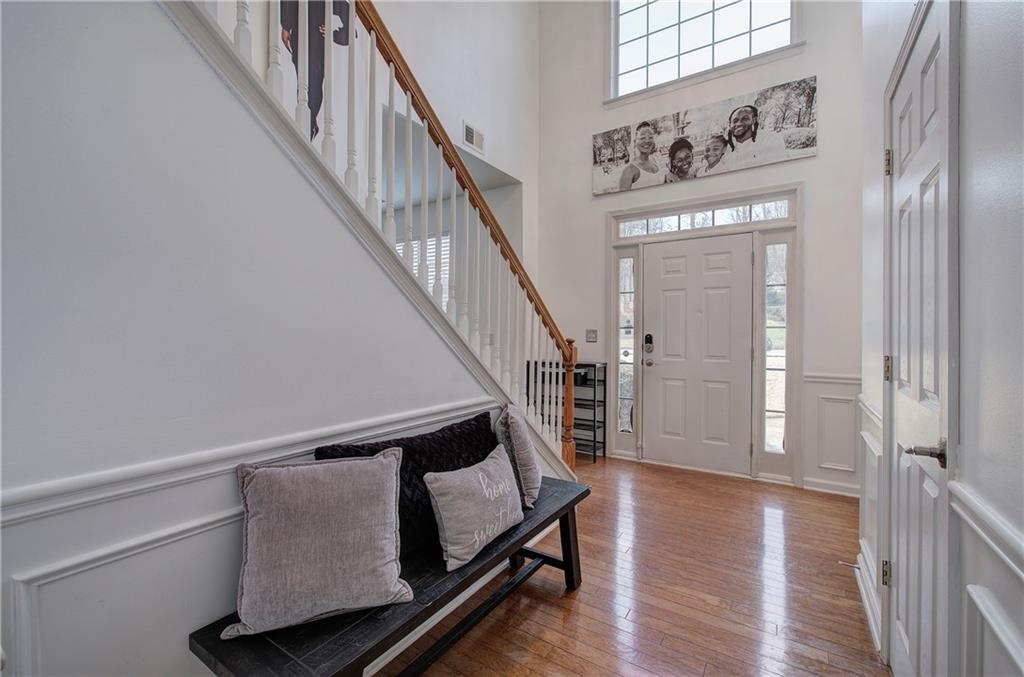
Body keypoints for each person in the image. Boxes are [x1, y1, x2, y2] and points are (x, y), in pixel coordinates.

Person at [281, 0, 350, 141]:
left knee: (314, 82)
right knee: (304, 83)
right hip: (299, 34)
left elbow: (349, 21)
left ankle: (308, 126)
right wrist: (286, 26)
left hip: (317, 41)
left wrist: (334, 34)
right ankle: (308, 126)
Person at [618, 121, 665, 190]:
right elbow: (622, 199)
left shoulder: (656, 162)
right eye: (642, 138)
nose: (647, 141)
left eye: (650, 137)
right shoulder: (629, 170)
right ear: (635, 141)